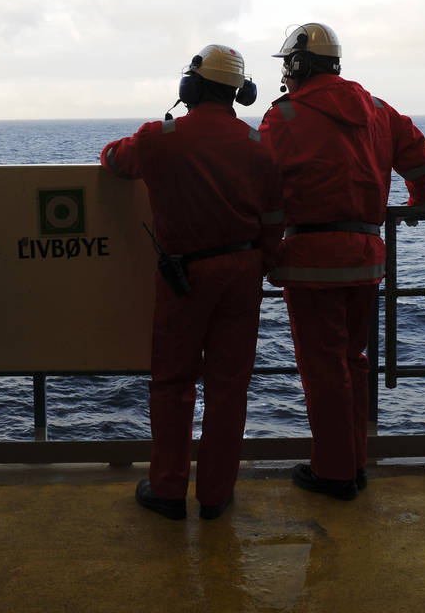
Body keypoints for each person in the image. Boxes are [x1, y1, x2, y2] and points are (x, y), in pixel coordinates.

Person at [258, 23, 425, 500]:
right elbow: (420, 160)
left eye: (287, 68)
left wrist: (262, 247)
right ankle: (354, 461)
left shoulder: (285, 116)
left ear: (297, 65)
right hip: (366, 259)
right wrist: (421, 199)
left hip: (310, 261)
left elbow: (262, 190)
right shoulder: (379, 111)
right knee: (353, 363)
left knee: (323, 370)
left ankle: (335, 473)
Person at [100, 44, 283, 521]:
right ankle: (216, 495)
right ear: (240, 93)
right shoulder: (260, 146)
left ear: (190, 87)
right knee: (229, 388)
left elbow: (114, 162)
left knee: (173, 384)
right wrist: (261, 262)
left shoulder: (159, 138)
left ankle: (167, 490)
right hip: (244, 273)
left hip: (185, 276)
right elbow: (273, 219)